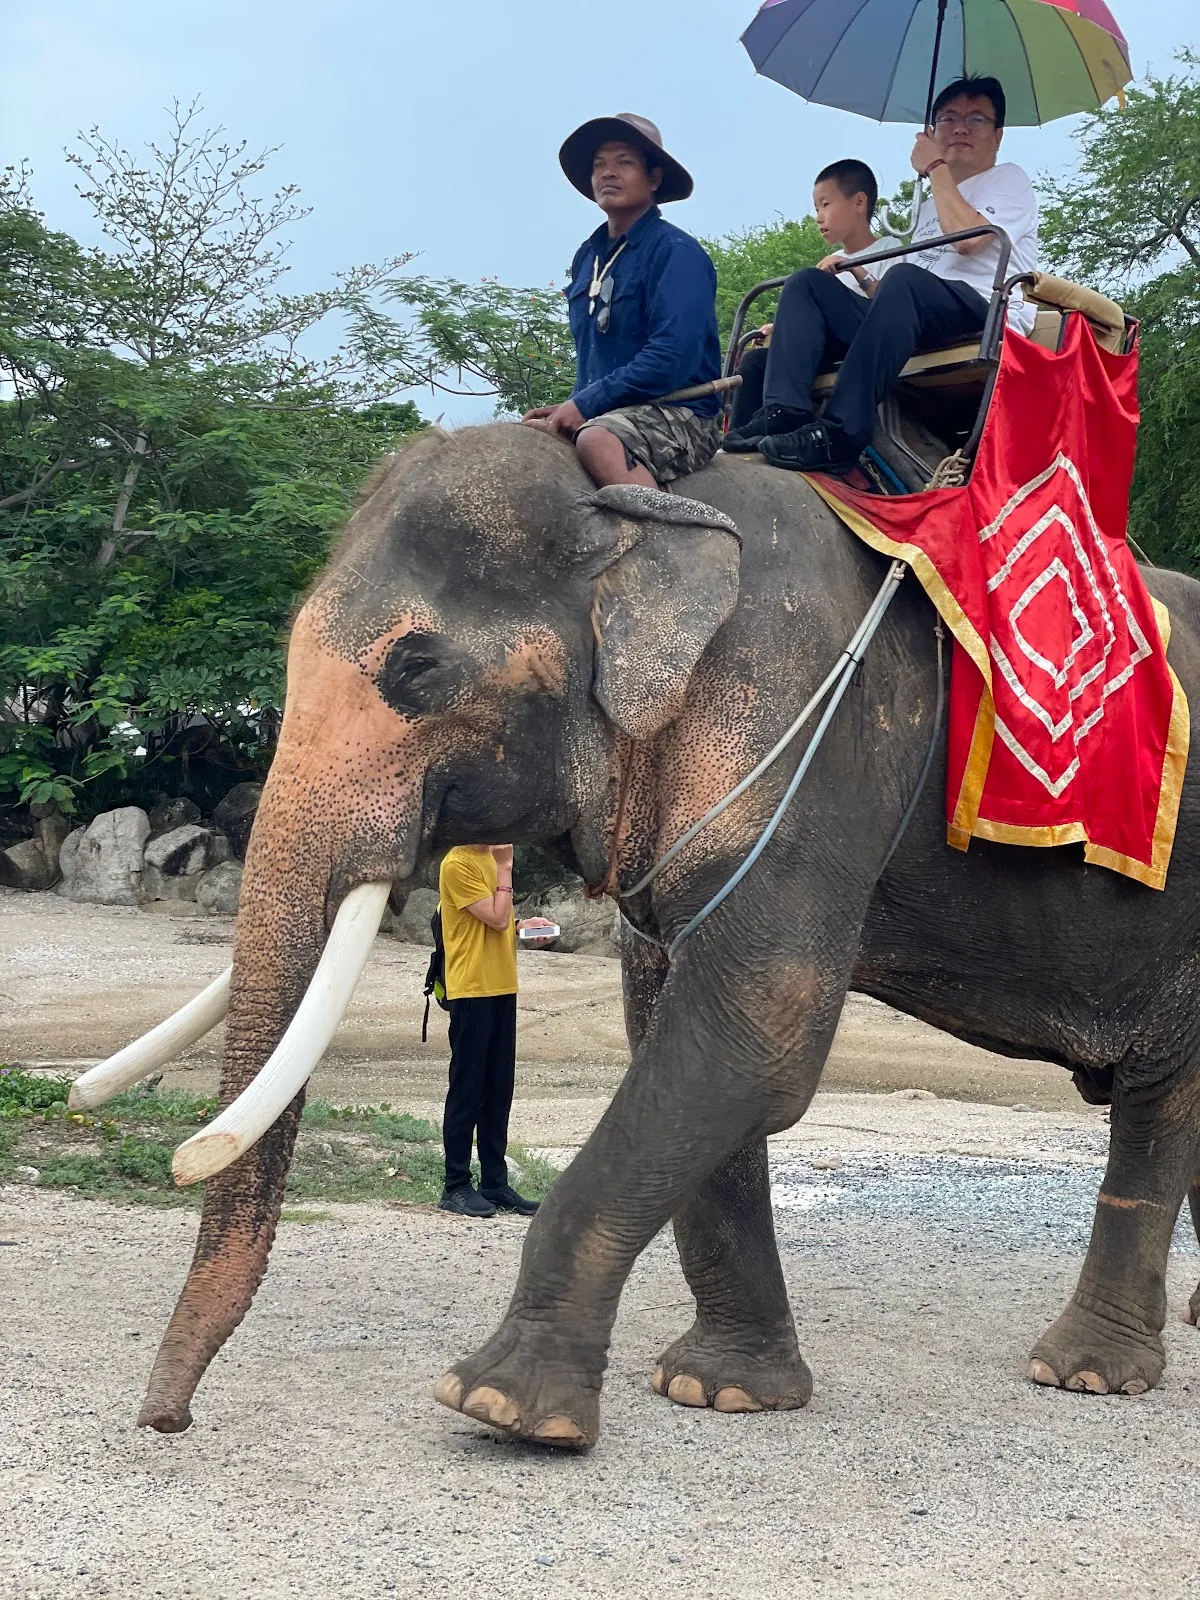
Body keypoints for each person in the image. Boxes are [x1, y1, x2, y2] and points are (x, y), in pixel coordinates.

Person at [726, 75, 1039, 474]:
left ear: (997, 136)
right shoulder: (925, 208)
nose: (960, 127)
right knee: (806, 287)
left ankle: (841, 433)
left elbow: (969, 242)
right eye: (948, 118)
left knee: (906, 279)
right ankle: (780, 414)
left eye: (976, 119)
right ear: (932, 130)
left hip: (983, 310)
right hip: (914, 315)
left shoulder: (1009, 180)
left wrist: (936, 166)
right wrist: (802, 323)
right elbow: (887, 301)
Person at [521, 113, 723, 489]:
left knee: (598, 440)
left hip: (681, 410)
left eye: (624, 162)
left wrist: (588, 404)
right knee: (527, 437)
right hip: (612, 410)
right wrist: (574, 402)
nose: (607, 173)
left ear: (654, 177)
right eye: (600, 165)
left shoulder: (676, 252)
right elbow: (596, 360)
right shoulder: (587, 259)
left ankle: (671, 542)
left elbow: (672, 356)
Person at [728, 158, 895, 435]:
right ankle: (739, 438)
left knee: (805, 280)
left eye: (826, 205)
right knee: (755, 362)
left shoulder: (890, 247)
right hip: (835, 341)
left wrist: (856, 271)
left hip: (871, 334)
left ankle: (788, 410)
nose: (818, 216)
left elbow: (894, 307)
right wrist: (784, 332)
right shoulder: (831, 261)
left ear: (859, 202)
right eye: (816, 208)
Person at [437, 843, 554, 1219]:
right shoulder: (457, 863)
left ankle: (494, 1182)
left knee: (499, 1089)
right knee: (468, 1090)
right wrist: (505, 870)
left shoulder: (490, 858)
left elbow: (499, 922)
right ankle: (455, 1185)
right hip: (471, 988)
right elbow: (495, 918)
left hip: (502, 986)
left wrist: (525, 927)